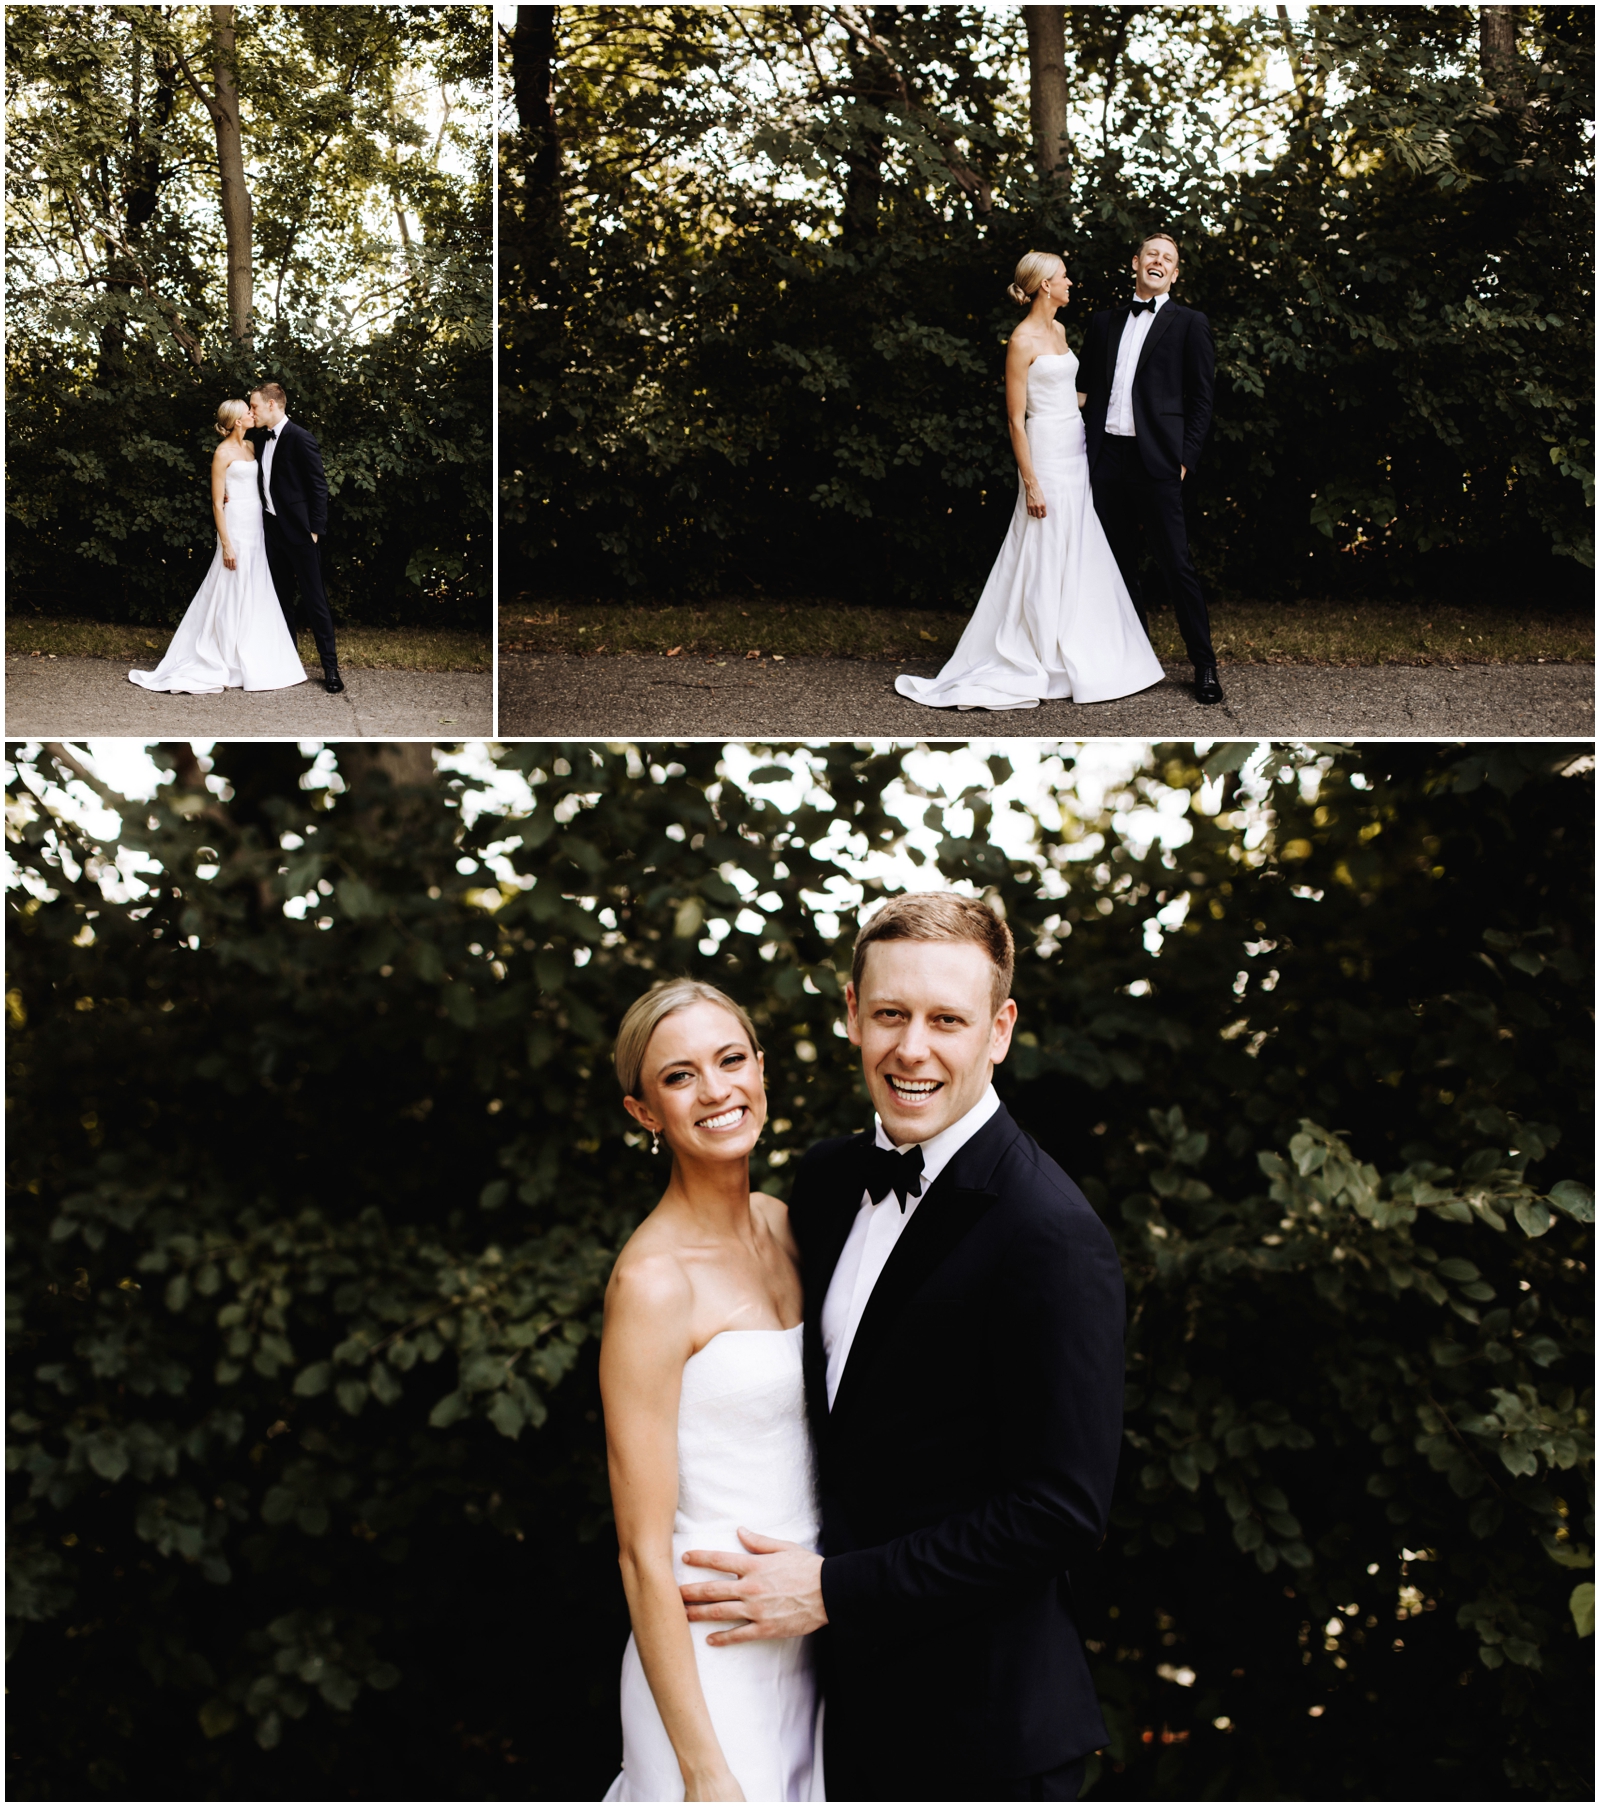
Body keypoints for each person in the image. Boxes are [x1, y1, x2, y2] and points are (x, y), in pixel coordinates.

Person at [678, 893, 1125, 1802]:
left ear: (999, 1030)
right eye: (890, 1013)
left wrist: (835, 1589)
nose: (912, 1049)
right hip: (824, 1716)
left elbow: (1059, 1511)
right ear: (851, 1011)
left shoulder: (1050, 1232)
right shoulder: (828, 1180)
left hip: (986, 1740)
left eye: (946, 1020)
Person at [601, 979, 824, 1802]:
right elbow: (639, 1551)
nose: (717, 1089)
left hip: (810, 1644)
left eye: (731, 1060)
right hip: (708, 1666)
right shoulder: (653, 1282)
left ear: (762, 1070)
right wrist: (704, 1770)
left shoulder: (789, 1225)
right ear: (645, 1113)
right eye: (680, 1075)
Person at [895, 250, 1163, 712]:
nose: (1070, 282)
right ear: (1045, 286)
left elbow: (1069, 395)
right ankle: (1035, 649)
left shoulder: (1059, 331)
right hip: (1043, 452)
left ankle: (1075, 645)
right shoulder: (1021, 340)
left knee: (1076, 543)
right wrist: (1031, 482)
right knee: (1042, 544)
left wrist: (1120, 397)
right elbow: (1016, 420)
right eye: (1064, 276)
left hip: (1074, 447)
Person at [1078, 231, 1222, 706]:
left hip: (1158, 460)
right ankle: (1134, 660)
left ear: (1174, 274)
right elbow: (1085, 392)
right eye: (1152, 254)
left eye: (1169, 259)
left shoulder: (1190, 323)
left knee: (1176, 564)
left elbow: (1202, 399)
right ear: (1135, 261)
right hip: (1106, 459)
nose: (1158, 261)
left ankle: (1204, 664)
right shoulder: (1103, 322)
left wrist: (1186, 459)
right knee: (1117, 566)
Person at [128, 399, 308, 695]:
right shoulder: (222, 453)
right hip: (235, 526)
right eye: (247, 412)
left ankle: (253, 655)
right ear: (237, 421)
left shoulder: (251, 447)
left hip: (256, 524)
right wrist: (226, 544)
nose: (253, 414)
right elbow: (216, 502)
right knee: (230, 586)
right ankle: (222, 654)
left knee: (256, 586)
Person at [246, 382, 343, 694]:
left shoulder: (301, 438)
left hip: (301, 534)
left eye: (255, 406)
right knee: (280, 600)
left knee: (315, 601)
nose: (252, 412)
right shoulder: (259, 440)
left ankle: (330, 669)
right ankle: (289, 664)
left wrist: (315, 529)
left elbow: (318, 486)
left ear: (273, 405)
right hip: (271, 532)